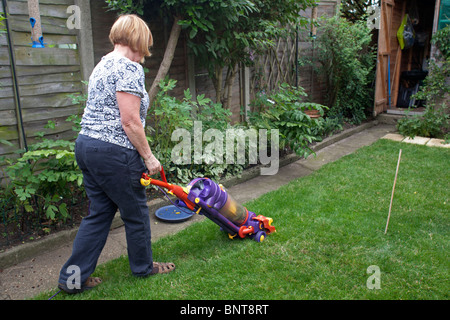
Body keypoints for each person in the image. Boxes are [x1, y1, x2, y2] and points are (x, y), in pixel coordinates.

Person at [58, 14, 175, 294]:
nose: (146, 51)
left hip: (87, 146)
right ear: (139, 40)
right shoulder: (129, 69)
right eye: (146, 42)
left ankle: (72, 279)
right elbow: (130, 121)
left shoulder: (103, 63)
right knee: (135, 214)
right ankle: (144, 267)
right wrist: (149, 158)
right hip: (114, 152)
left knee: (98, 215)